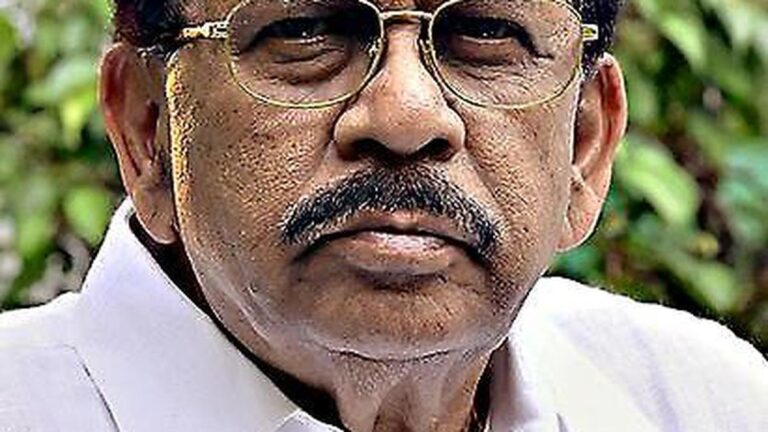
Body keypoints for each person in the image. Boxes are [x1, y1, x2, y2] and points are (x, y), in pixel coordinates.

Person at [1, 0, 766, 430]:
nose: (404, 115)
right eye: (305, 31)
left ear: (586, 146)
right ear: (147, 130)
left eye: (486, 34)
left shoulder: (700, 403)